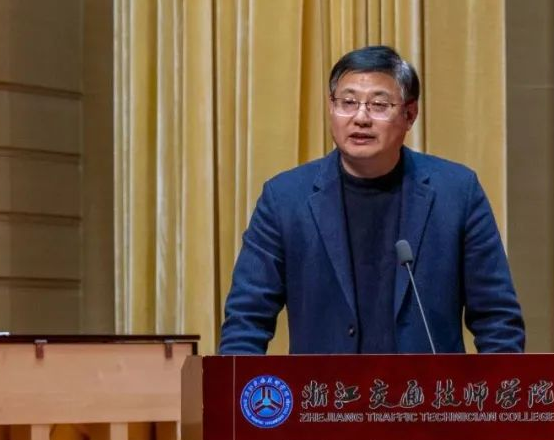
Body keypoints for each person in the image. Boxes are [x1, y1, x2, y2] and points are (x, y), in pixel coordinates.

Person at [217, 45, 525, 355]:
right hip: (324, 386)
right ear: (331, 107)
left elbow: (497, 320)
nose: (361, 118)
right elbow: (246, 320)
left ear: (409, 114)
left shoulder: (457, 193)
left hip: (426, 386)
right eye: (348, 102)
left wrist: (499, 385)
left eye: (379, 104)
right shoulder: (285, 199)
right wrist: (238, 384)